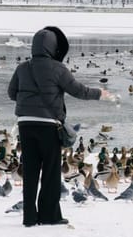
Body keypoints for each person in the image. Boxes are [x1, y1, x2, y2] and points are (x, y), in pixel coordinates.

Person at [7, 26, 112, 226]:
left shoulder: (22, 68)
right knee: (51, 170)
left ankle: (29, 217)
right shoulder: (58, 68)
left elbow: (12, 94)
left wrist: (28, 100)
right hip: (48, 125)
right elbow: (78, 91)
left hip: (25, 125)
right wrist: (99, 93)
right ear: (52, 47)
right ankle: (49, 216)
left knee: (30, 171)